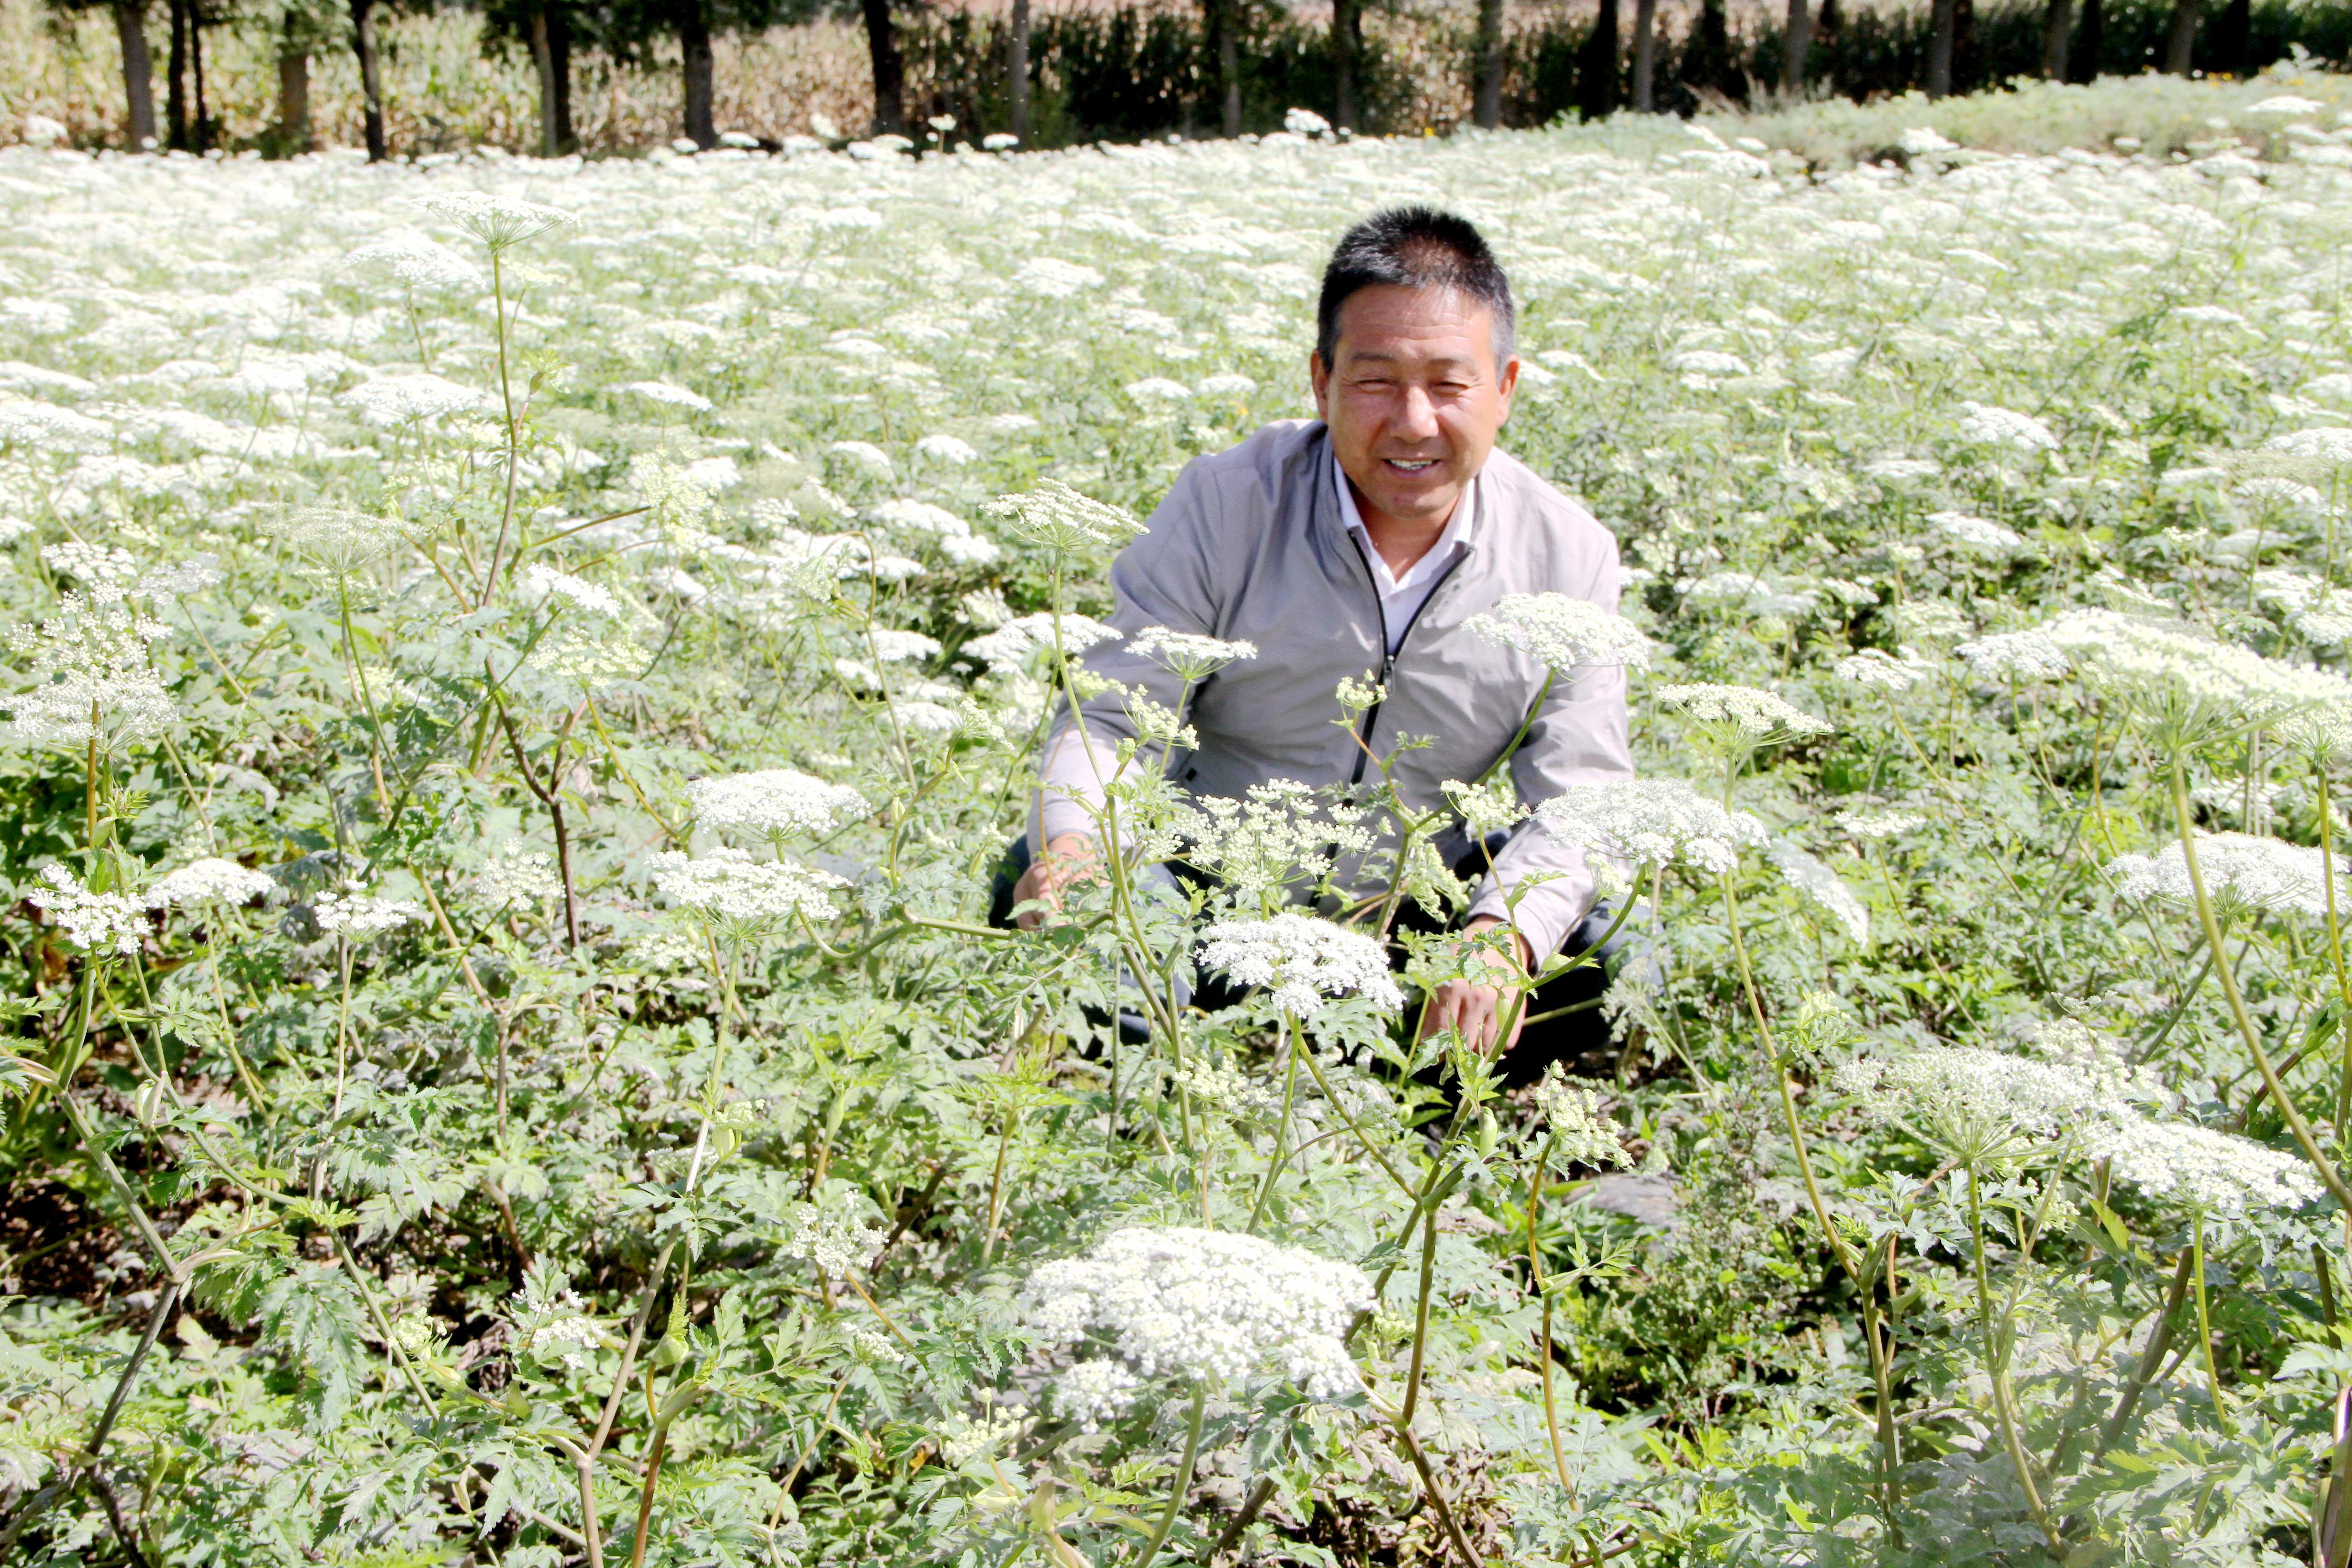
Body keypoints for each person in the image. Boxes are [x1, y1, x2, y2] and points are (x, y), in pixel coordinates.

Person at [1002, 205, 1636, 1082]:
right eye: (1376, 381)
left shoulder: (1569, 553)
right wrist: (1073, 849)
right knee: (1068, 903)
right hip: (1208, 883)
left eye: (1450, 385)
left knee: (1593, 942)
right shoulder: (1227, 504)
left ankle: (1429, 1123)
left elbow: (1583, 799)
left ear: (1506, 388)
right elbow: (1110, 718)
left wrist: (1499, 938)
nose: (1414, 423)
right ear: (1321, 381)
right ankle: (1154, 1126)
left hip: (1408, 908)